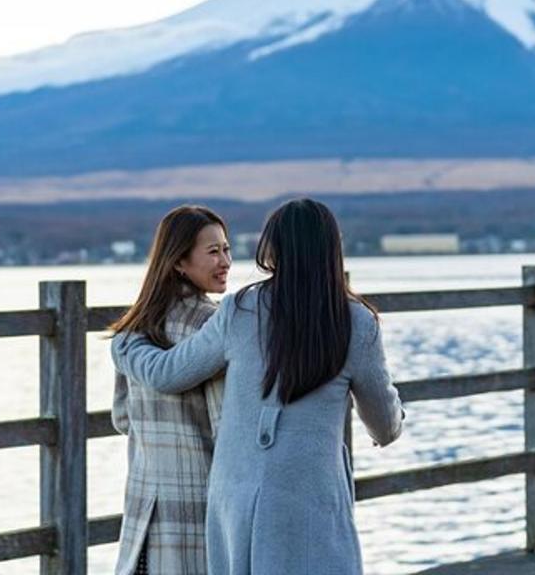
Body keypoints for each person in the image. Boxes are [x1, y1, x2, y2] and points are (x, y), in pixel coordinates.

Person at [112, 197, 403, 575]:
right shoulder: (356, 321)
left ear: (272, 249)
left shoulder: (239, 310)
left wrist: (126, 344)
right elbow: (384, 423)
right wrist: (393, 420)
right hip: (311, 492)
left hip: (236, 496)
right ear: (333, 249)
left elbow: (168, 373)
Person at [107, 204, 232, 575]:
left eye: (226, 249)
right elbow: (227, 427)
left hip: (147, 502)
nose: (225, 261)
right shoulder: (216, 327)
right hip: (203, 507)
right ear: (179, 262)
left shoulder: (136, 328)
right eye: (213, 252)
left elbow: (122, 418)